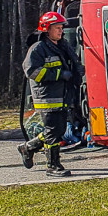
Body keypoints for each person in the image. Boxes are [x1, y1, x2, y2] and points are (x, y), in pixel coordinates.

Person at [18, 12, 82, 177]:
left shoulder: (62, 45)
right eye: (57, 28)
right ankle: (53, 166)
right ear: (47, 29)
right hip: (47, 97)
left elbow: (73, 63)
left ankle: (28, 147)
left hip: (63, 95)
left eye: (61, 28)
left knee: (57, 130)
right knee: (53, 132)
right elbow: (31, 71)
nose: (61, 31)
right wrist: (58, 74)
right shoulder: (38, 48)